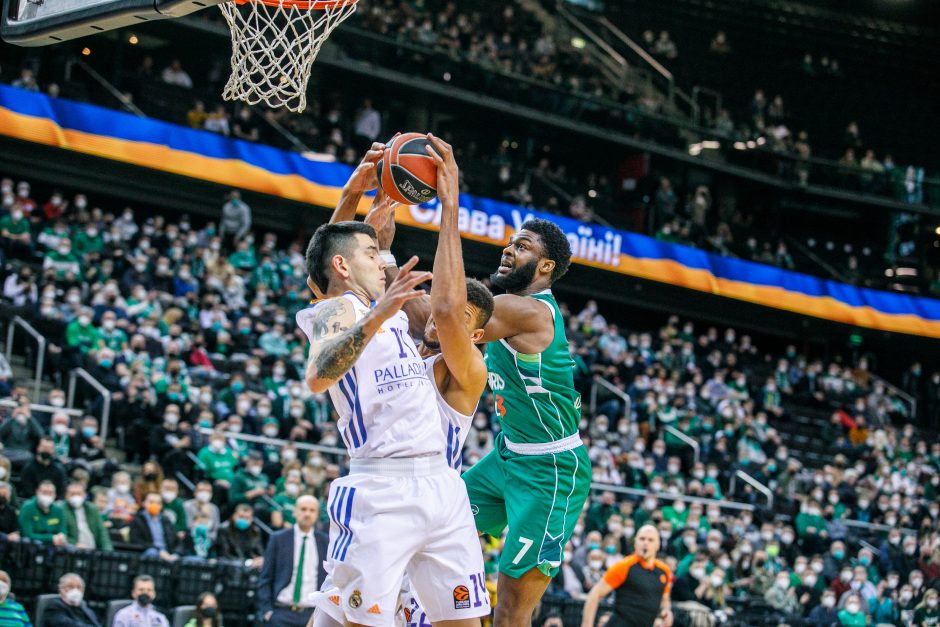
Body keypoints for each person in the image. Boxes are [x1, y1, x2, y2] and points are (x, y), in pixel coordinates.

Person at [312, 137, 495, 627]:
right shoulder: (389, 322)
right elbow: (332, 270)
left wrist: (450, 204)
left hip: (440, 491)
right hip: (381, 489)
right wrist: (361, 209)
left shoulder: (464, 367)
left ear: (475, 334)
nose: (438, 319)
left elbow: (445, 310)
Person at [462, 214, 590, 626]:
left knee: (511, 612)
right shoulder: (509, 307)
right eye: (511, 242)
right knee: (436, 515)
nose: (508, 249)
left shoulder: (526, 310)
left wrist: (450, 213)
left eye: (522, 246)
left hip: (550, 469)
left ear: (545, 265)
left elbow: (444, 317)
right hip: (509, 453)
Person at [580, 525, 674, 627]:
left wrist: (666, 611)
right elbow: (595, 594)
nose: (645, 543)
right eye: (642, 539)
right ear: (635, 542)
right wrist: (586, 624)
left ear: (658, 545)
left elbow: (665, 599)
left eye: (651, 540)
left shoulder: (664, 571)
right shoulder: (624, 566)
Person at [257, 496, 328, 626]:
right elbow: (265, 577)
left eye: (312, 510)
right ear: (295, 511)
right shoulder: (278, 539)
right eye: (303, 509)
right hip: (281, 612)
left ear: (317, 514)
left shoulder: (325, 542)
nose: (307, 513)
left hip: (312, 614)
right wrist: (267, 611)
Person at [63, 482, 112, 550]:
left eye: (79, 493)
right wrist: (74, 543)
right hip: (72, 550)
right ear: (66, 495)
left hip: (93, 550)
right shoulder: (60, 509)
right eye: (72, 494)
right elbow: (60, 533)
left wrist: (108, 552)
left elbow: (102, 533)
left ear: (84, 495)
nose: (76, 496)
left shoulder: (92, 509)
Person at [18, 480, 67, 545]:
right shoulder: (27, 507)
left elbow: (62, 531)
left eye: (50, 493)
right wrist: (51, 538)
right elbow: (27, 534)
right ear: (37, 492)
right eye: (44, 492)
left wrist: (61, 537)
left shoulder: (58, 510)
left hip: (55, 545)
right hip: (32, 545)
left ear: (55, 495)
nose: (47, 495)